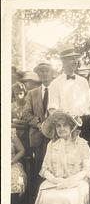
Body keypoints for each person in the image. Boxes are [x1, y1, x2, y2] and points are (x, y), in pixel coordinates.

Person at [32, 111, 90, 204]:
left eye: (65, 125)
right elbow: (44, 169)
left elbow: (87, 169)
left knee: (68, 199)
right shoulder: (52, 145)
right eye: (58, 126)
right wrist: (56, 180)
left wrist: (70, 181)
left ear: (72, 127)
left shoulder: (82, 144)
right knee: (47, 198)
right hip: (56, 181)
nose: (61, 129)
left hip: (76, 182)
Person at [22, 62, 54, 193]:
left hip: (55, 135)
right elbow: (26, 113)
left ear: (51, 73)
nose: (44, 73)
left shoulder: (57, 91)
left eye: (47, 71)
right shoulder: (32, 93)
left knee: (54, 165)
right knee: (39, 167)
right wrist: (39, 124)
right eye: (41, 71)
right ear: (38, 74)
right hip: (37, 137)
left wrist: (51, 126)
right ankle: (38, 197)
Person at [48, 47, 90, 117]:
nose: (75, 62)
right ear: (63, 61)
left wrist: (89, 113)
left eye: (76, 58)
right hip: (66, 124)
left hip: (84, 123)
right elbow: (52, 110)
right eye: (72, 59)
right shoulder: (54, 84)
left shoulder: (83, 81)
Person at [11, 128, 27, 204]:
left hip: (11, 164)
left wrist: (12, 161)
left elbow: (22, 150)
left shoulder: (10, 133)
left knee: (16, 178)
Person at [11, 82, 29, 153]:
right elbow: (8, 124)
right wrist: (23, 124)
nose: (18, 96)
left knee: (28, 156)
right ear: (13, 95)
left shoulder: (28, 105)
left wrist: (16, 121)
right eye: (16, 94)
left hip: (27, 136)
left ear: (24, 93)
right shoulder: (11, 107)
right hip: (16, 136)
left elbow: (29, 124)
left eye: (21, 93)